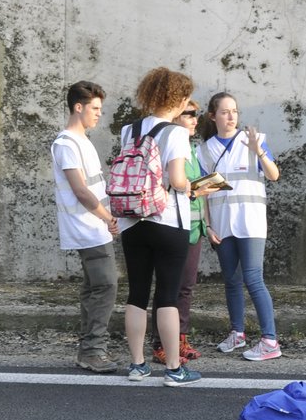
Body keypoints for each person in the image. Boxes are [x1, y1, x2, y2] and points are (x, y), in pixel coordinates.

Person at [118, 67, 211, 387]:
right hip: (168, 219)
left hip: (131, 219)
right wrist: (197, 189)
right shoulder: (176, 133)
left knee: (137, 294)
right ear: (179, 98)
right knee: (168, 296)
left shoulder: (128, 130)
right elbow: (177, 181)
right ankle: (174, 368)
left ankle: (136, 365)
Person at [200, 92, 282, 361]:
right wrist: (207, 225)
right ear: (213, 116)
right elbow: (204, 193)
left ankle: (270, 340)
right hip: (223, 225)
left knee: (253, 278)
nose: (231, 116)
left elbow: (273, 175)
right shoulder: (205, 149)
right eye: (224, 111)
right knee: (232, 281)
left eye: (234, 110)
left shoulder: (254, 140)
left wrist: (258, 151)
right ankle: (238, 332)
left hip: (251, 222)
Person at [51, 81, 118, 374]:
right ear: (78, 107)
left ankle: (89, 349)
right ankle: (92, 350)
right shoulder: (66, 143)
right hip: (87, 226)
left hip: (94, 225)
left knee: (96, 288)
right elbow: (80, 190)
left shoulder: (82, 141)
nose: (98, 115)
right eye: (95, 108)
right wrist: (107, 217)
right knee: (105, 286)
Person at [154, 99, 204, 367]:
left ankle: (180, 338)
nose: (195, 119)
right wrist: (195, 189)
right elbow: (178, 183)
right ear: (175, 118)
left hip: (193, 225)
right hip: (172, 223)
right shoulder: (170, 145)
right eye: (189, 115)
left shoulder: (193, 149)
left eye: (197, 115)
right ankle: (161, 343)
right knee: (168, 287)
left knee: (186, 287)